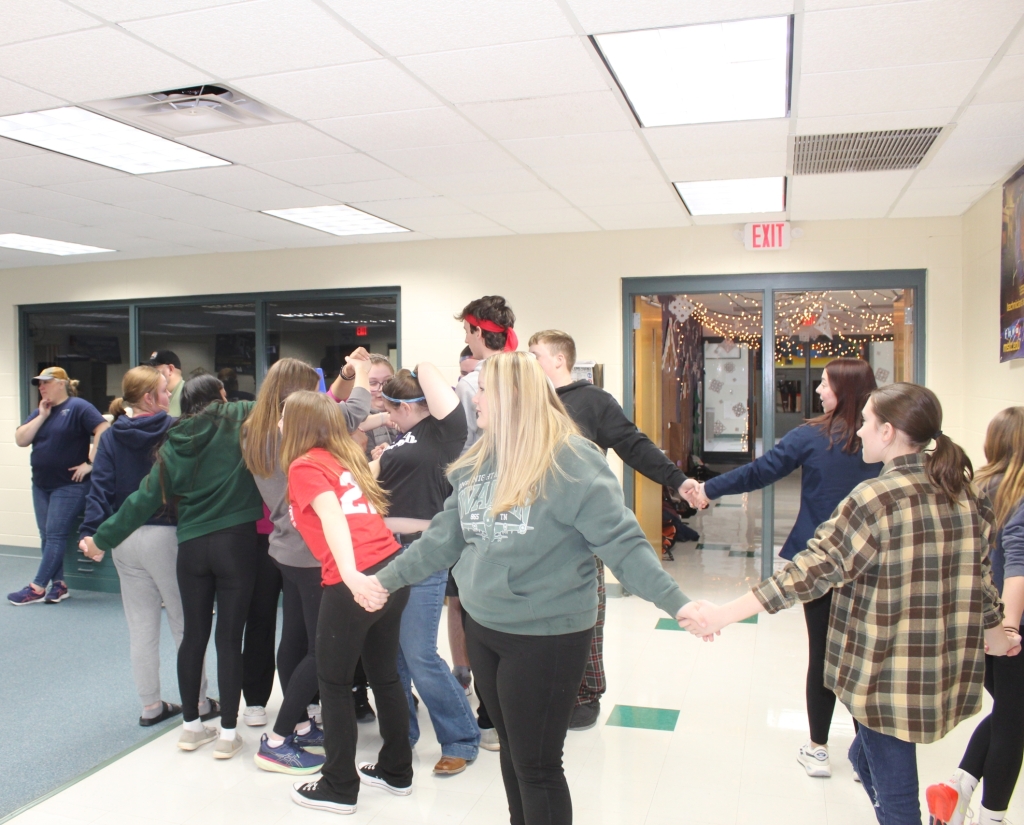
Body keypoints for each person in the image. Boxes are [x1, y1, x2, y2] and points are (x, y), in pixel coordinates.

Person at [367, 352, 700, 825]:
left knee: (538, 765)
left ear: (513, 396)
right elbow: (443, 538)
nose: (474, 398)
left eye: (482, 390)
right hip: (486, 627)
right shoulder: (479, 459)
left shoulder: (571, 460)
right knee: (512, 754)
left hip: (548, 635)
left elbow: (622, 544)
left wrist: (678, 604)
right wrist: (382, 582)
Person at [679, 383, 1021, 825]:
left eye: (865, 423)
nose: (858, 432)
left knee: (899, 804)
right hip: (935, 669)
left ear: (889, 432)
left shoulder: (875, 499)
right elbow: (982, 581)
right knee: (866, 755)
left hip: (884, 673)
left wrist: (721, 614)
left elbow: (807, 573)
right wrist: (997, 635)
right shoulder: (965, 495)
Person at [684, 357, 882, 776]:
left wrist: (707, 489)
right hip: (874, 563)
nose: (818, 391)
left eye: (825, 384)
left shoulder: (813, 435)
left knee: (824, 655)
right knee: (870, 653)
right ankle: (868, 748)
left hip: (819, 562)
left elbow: (760, 472)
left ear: (843, 388)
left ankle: (818, 748)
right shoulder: (885, 437)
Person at [81, 375, 263, 760]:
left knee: (193, 636)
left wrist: (102, 538)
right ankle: (229, 734)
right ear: (222, 397)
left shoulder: (174, 443)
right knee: (229, 639)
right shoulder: (239, 417)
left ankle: (191, 728)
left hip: (192, 547)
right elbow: (275, 405)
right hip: (236, 543)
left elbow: (141, 500)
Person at [528, 329, 698, 730]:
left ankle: (587, 694)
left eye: (534, 354)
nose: (529, 361)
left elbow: (633, 445)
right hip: (533, 528)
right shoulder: (527, 401)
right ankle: (544, 689)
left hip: (580, 527)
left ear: (558, 360)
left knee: (589, 608)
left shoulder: (592, 401)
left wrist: (678, 480)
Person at [280, 391, 411, 815]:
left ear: (298, 424)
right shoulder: (341, 459)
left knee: (334, 683)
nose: (278, 422)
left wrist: (352, 575)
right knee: (384, 674)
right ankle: (396, 770)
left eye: (284, 415)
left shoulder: (304, 465)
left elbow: (333, 515)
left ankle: (339, 785)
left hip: (355, 578)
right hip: (391, 567)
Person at [241, 356, 373, 775]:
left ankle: (297, 721)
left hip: (284, 550)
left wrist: (344, 377)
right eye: (312, 389)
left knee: (295, 640)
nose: (321, 394)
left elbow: (329, 405)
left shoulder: (255, 430)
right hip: (314, 552)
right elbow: (352, 411)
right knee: (322, 649)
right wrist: (363, 376)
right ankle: (278, 739)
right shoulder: (298, 438)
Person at [78, 366, 212, 726]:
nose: (171, 398)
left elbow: (100, 489)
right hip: (165, 536)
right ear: (151, 398)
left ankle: (150, 706)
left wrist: (92, 532)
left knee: (141, 626)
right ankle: (198, 701)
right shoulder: (175, 430)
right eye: (166, 393)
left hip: (123, 537)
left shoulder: (110, 435)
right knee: (185, 623)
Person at [370, 364, 479, 776]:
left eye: (391, 407)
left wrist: (413, 371)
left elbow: (431, 374)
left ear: (405, 404)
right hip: (385, 552)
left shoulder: (443, 432)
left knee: (418, 653)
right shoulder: (402, 439)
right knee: (394, 655)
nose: (388, 415)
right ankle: (403, 734)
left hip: (422, 551)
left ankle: (460, 737)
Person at [927, 406, 1024, 825]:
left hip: (974, 621)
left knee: (1011, 712)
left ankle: (957, 788)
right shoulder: (1016, 492)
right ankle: (992, 815)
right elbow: (1017, 568)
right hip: (1005, 627)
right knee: (1013, 723)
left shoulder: (975, 488)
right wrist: (1009, 628)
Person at [449, 296, 518, 748]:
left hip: (477, 503)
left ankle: (488, 713)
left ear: (476, 333)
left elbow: (461, 441)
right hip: (521, 504)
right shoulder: (527, 372)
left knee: (472, 606)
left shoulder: (474, 381)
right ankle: (503, 709)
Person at [9, 367, 109, 606]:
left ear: (62, 384)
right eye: (39, 384)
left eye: (46, 383)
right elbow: (21, 439)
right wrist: (42, 416)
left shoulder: (78, 407)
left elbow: (104, 429)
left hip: (69, 486)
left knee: (55, 535)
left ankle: (37, 587)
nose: (41, 387)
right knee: (47, 536)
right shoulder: (40, 412)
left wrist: (91, 463)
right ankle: (59, 585)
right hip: (42, 484)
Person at [149, 351, 184, 417]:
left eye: (154, 369)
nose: (150, 374)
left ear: (170, 369)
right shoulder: (151, 394)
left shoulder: (189, 394)